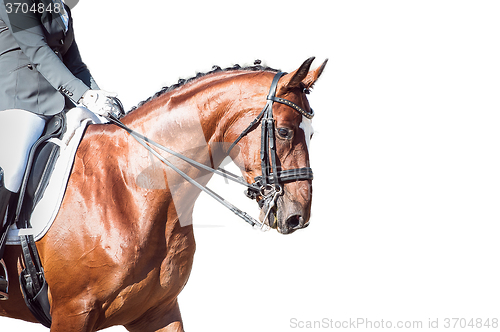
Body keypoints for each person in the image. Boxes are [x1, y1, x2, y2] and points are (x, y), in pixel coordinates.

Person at [0, 0, 122, 300]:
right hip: (20, 98)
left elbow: (75, 64)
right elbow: (39, 52)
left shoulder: (60, 9)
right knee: (14, 166)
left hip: (60, 102)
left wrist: (98, 96)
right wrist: (82, 94)